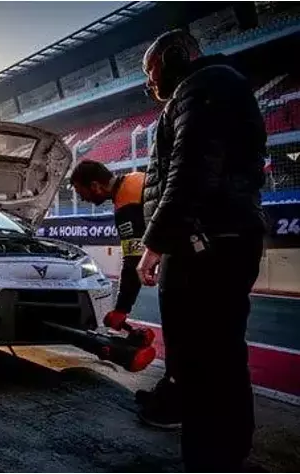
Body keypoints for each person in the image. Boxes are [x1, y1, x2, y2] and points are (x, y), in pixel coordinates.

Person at [137, 30, 267, 472]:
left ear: (175, 57)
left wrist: (154, 244)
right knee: (218, 352)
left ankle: (210, 456)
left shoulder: (204, 86)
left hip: (206, 245)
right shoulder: (211, 86)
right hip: (215, 240)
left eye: (151, 70)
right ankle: (225, 451)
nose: (150, 82)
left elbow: (191, 171)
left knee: (201, 355)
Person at [69, 160, 178, 427]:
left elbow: (133, 259)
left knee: (182, 332)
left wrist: (121, 309)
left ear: (96, 185)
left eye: (82, 192)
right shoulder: (137, 179)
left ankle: (178, 403)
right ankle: (171, 389)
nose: (82, 199)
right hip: (201, 250)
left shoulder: (126, 202)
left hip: (188, 259)